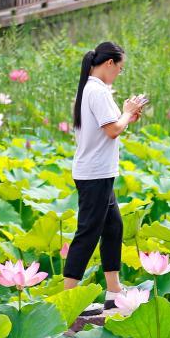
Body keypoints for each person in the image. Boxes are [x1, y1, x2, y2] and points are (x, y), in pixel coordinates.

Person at [62, 41, 147, 307]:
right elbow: (112, 130)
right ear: (109, 63)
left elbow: (111, 126)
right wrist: (127, 112)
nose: (119, 73)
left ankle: (114, 292)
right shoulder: (96, 91)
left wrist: (127, 116)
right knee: (88, 233)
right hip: (95, 174)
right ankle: (70, 300)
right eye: (119, 68)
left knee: (113, 227)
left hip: (98, 172)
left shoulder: (92, 89)